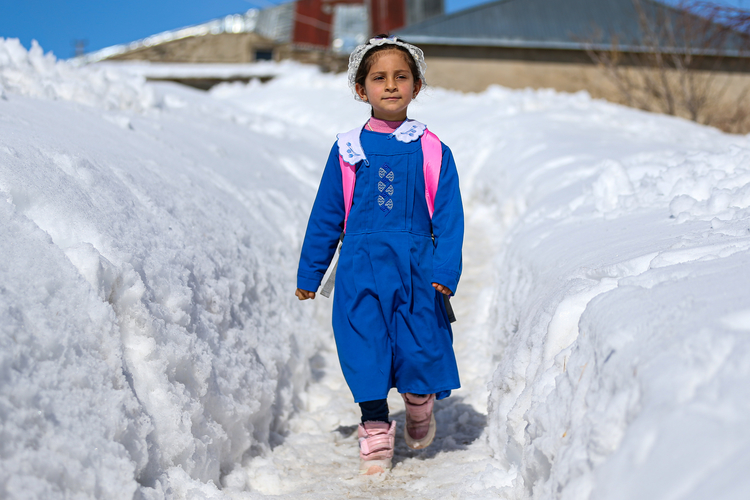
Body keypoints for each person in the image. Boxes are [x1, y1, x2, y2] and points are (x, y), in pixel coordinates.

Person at [295, 35, 464, 475]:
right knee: (364, 347)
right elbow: (327, 214)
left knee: (419, 347)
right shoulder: (348, 149)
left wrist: (445, 268)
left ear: (416, 86)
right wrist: (311, 272)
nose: (390, 85)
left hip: (416, 269)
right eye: (379, 78)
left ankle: (419, 402)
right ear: (361, 89)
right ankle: (374, 426)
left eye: (401, 77)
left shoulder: (432, 149)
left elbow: (449, 217)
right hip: (360, 269)